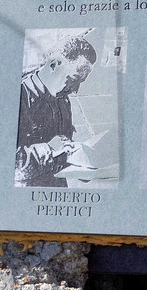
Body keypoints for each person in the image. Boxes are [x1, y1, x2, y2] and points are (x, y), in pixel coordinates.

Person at [15, 34, 97, 187]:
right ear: (54, 65)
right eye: (74, 79)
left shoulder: (62, 98)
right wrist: (50, 149)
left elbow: (62, 146)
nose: (75, 90)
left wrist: (81, 164)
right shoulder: (19, 96)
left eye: (81, 82)